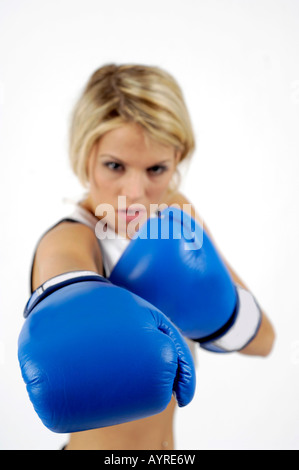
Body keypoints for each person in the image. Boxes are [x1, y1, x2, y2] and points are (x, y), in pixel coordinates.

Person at [27, 64, 275, 450]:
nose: (135, 192)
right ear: (84, 157)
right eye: (115, 165)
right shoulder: (71, 238)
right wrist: (69, 292)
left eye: (156, 168)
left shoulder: (176, 214)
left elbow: (264, 341)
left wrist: (220, 315)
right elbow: (61, 272)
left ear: (179, 159)